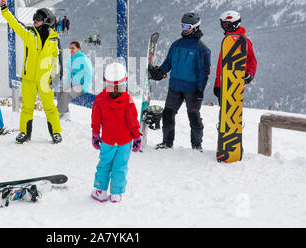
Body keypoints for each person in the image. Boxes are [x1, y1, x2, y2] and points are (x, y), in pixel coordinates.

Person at [0, 0, 63, 144]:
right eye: (34, 17)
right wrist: (5, 10)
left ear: (47, 20)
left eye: (39, 18)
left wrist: (56, 78)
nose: (35, 20)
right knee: (27, 107)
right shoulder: (29, 34)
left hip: (45, 80)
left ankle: (56, 133)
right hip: (29, 78)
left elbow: (57, 61)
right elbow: (15, 25)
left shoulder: (54, 39)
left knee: (50, 108)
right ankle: (24, 133)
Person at [149, 12, 211, 151]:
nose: (184, 29)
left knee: (193, 116)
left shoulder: (202, 49)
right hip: (175, 86)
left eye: (187, 26)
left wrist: (200, 90)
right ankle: (167, 142)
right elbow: (168, 62)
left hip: (192, 89)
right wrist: (160, 72)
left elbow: (204, 73)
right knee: (168, 114)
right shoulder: (176, 45)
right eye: (182, 25)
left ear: (195, 27)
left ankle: (196, 145)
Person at [90, 62, 141, 203]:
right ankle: (116, 194)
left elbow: (96, 119)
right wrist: (137, 137)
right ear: (124, 81)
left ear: (106, 81)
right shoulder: (127, 100)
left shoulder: (100, 99)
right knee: (120, 166)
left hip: (108, 139)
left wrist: (95, 134)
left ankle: (100, 190)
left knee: (105, 164)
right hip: (125, 141)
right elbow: (132, 122)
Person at [213, 10, 257, 104]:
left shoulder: (243, 41)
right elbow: (221, 65)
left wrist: (249, 74)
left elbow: (251, 59)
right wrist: (217, 84)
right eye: (222, 24)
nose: (224, 27)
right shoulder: (227, 40)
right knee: (224, 114)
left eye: (226, 24)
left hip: (235, 83)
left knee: (231, 111)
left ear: (234, 24)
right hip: (223, 83)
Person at [57, 41, 93, 121]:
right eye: (70, 48)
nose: (71, 50)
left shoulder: (84, 59)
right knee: (60, 92)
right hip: (73, 83)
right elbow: (69, 73)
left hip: (81, 84)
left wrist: (85, 87)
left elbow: (89, 73)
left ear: (78, 49)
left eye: (73, 48)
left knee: (66, 94)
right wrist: (66, 85)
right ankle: (66, 115)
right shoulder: (71, 59)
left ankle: (57, 113)